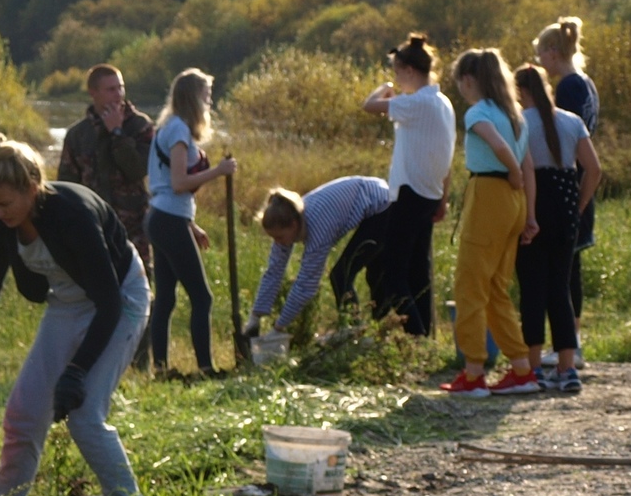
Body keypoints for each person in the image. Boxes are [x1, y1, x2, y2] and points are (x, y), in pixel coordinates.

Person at [0, 135, 149, 496]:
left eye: (5, 204)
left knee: (84, 416)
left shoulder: (72, 214)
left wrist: (78, 369)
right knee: (22, 414)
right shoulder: (2, 227)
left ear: (32, 187)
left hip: (120, 297)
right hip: (67, 305)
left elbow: (108, 302)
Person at [444, 50, 541, 397]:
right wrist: (529, 215)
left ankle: (473, 373)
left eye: (460, 83)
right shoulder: (517, 115)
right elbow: (528, 165)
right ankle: (521, 368)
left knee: (470, 285)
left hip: (489, 193)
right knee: (496, 289)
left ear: (469, 80)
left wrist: (511, 173)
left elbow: (500, 149)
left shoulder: (478, 113)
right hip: (514, 204)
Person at [57, 64, 157, 368]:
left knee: (139, 295)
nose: (118, 95)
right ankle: (95, 362)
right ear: (94, 93)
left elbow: (139, 170)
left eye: (121, 88)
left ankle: (140, 364)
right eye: (111, 89)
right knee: (95, 297)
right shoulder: (78, 135)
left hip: (132, 226)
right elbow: (66, 185)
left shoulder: (139, 126)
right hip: (93, 230)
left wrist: (117, 133)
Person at [513, 64, 602, 395]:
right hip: (565, 204)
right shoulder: (572, 121)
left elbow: (520, 171)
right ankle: (567, 369)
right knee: (560, 290)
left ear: (521, 91)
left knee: (532, 289)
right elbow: (593, 169)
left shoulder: (520, 122)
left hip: (533, 206)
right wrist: (577, 207)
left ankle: (534, 367)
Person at [361, 33, 455, 336]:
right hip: (430, 192)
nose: (396, 80)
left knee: (393, 271)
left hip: (409, 193)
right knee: (418, 270)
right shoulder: (443, 103)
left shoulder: (415, 103)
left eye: (397, 73)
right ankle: (424, 333)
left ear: (410, 71)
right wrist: (444, 198)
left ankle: (414, 332)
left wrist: (384, 89)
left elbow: (369, 106)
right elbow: (448, 154)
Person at [144, 67, 235, 377]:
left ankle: (160, 368)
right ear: (194, 98)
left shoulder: (167, 127)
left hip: (162, 218)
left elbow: (164, 185)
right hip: (168, 220)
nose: (209, 102)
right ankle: (206, 368)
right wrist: (219, 171)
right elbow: (180, 182)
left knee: (167, 298)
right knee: (202, 296)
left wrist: (190, 224)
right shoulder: (180, 130)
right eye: (206, 96)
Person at [247, 176, 394, 338]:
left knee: (342, 275)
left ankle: (355, 332)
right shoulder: (289, 217)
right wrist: (255, 317)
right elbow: (274, 271)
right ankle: (380, 335)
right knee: (376, 275)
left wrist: (278, 328)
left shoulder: (317, 227)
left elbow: (306, 285)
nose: (278, 243)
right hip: (374, 199)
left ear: (294, 226)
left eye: (280, 237)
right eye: (274, 238)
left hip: (383, 205)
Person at [535, 17, 600, 344]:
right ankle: (570, 341)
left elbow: (563, 137)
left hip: (568, 183)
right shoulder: (586, 82)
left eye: (540, 55)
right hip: (578, 179)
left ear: (552, 52)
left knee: (564, 270)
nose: (539, 63)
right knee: (570, 267)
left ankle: (569, 342)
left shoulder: (568, 88)